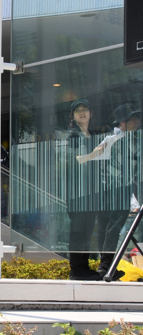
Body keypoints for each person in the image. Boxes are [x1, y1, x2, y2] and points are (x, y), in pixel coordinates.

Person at [93, 103, 141, 279]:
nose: (137, 121)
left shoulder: (115, 140)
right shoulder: (117, 141)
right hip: (115, 193)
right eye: (133, 118)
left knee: (108, 229)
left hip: (110, 193)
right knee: (111, 229)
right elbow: (128, 172)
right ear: (123, 121)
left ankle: (106, 267)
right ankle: (106, 267)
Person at [64, 99, 101, 280]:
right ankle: (76, 270)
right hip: (77, 191)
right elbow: (75, 160)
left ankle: (84, 267)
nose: (82, 112)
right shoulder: (71, 135)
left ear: (90, 113)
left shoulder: (93, 134)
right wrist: (95, 154)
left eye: (85, 109)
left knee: (87, 231)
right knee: (78, 231)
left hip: (92, 190)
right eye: (77, 110)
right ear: (73, 116)